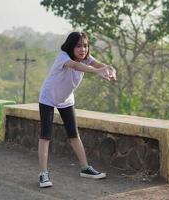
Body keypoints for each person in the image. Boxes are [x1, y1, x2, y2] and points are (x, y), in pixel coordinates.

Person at [38, 31, 117, 188]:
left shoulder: (86, 58)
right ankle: (43, 174)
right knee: (46, 135)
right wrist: (96, 71)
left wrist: (109, 69)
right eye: (79, 46)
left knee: (74, 134)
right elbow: (75, 66)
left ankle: (85, 168)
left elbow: (100, 65)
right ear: (71, 46)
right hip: (48, 97)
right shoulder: (63, 57)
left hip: (66, 99)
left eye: (86, 46)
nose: (83, 49)